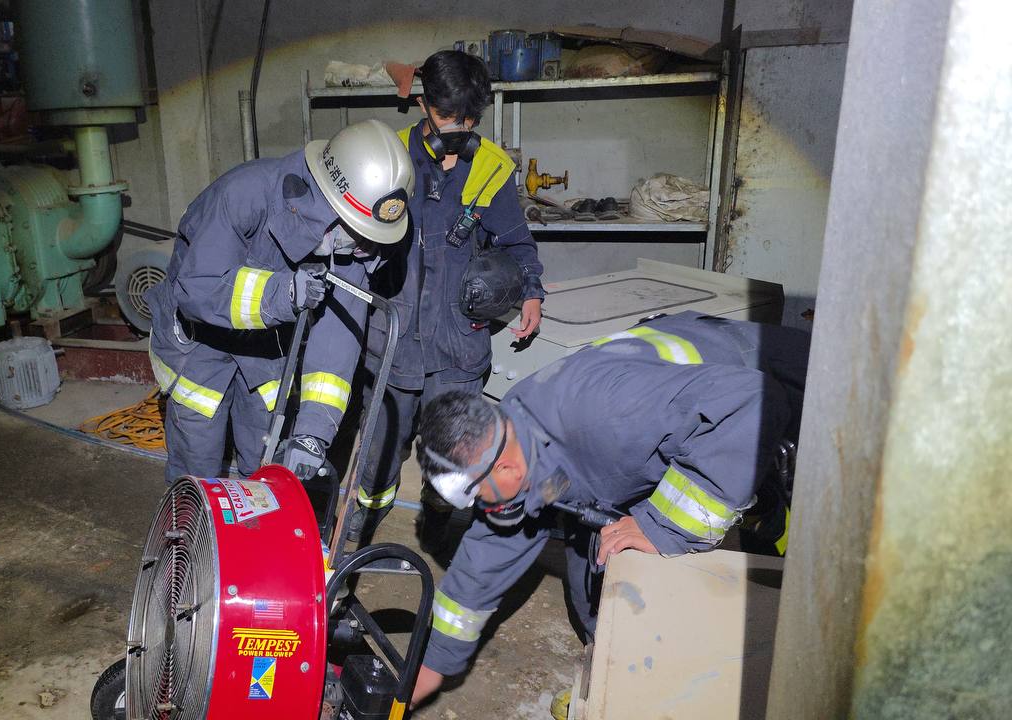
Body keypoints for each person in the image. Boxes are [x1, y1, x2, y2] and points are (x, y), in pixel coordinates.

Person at [407, 312, 809, 705]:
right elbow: (489, 552)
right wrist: (433, 664)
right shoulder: (517, 435)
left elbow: (752, 402)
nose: (479, 506)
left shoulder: (609, 417)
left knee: (667, 550)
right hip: (688, 409)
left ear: (506, 468)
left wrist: (662, 527)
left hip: (782, 388)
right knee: (600, 563)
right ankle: (613, 677)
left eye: (477, 495)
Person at [343, 50, 545, 544]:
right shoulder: (388, 157)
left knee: (453, 449)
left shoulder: (492, 168)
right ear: (423, 104)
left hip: (458, 346)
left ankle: (438, 513)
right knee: (379, 448)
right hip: (393, 339)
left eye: (469, 119)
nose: (459, 128)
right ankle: (366, 514)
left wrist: (531, 291)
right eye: (447, 116)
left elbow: (517, 243)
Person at [143, 119, 413, 483]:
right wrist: (282, 294)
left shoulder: (354, 243)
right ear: (331, 204)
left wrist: (313, 433)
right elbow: (197, 289)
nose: (365, 248)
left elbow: (337, 340)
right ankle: (188, 521)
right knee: (197, 473)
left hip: (266, 355)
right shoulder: (245, 193)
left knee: (264, 469)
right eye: (359, 233)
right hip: (198, 352)